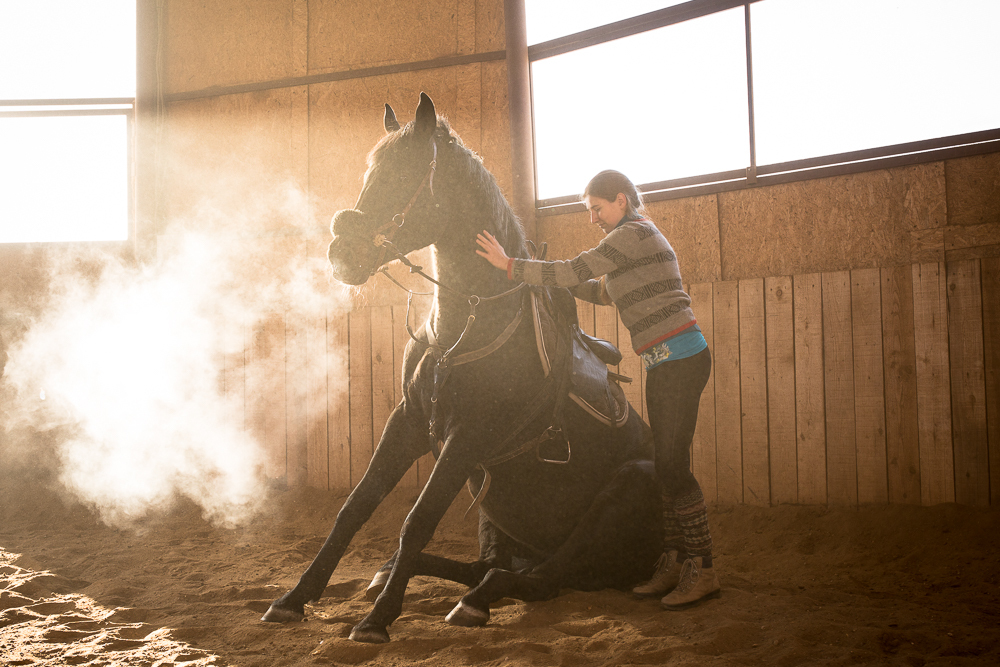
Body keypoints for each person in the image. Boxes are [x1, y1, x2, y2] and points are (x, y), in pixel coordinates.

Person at [475, 169, 719, 610]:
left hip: (681, 360)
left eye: (596, 209)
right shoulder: (630, 245)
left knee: (673, 466)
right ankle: (674, 558)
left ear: (621, 201)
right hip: (665, 362)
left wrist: (512, 267)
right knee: (666, 465)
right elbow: (597, 290)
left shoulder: (632, 235)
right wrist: (547, 289)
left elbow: (574, 270)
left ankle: (701, 567)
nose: (592, 218)